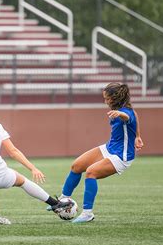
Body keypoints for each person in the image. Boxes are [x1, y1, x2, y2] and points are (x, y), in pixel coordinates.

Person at [56, 82, 144, 223]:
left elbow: (128, 117)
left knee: (91, 172)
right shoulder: (126, 109)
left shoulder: (124, 112)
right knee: (76, 166)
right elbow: (135, 115)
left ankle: (87, 213)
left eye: (107, 98)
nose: (105, 101)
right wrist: (138, 136)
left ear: (115, 98)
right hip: (110, 148)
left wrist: (120, 114)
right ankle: (61, 201)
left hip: (121, 156)